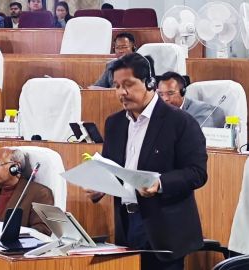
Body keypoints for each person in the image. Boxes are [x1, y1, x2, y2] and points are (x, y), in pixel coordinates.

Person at [86, 53, 208, 270]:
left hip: (165, 228)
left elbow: (196, 173)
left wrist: (160, 184)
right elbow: (113, 167)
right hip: (126, 224)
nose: (121, 92)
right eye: (116, 86)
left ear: (149, 83)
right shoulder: (114, 123)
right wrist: (100, 186)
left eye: (128, 85)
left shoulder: (180, 122)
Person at [0, 147, 54, 235]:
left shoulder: (41, 193)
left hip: (18, 247)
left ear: (15, 167)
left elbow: (43, 231)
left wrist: (14, 235)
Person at [157, 71, 226, 128]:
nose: (165, 99)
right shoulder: (159, 110)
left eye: (170, 93)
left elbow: (198, 137)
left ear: (182, 92)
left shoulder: (201, 110)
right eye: (161, 94)